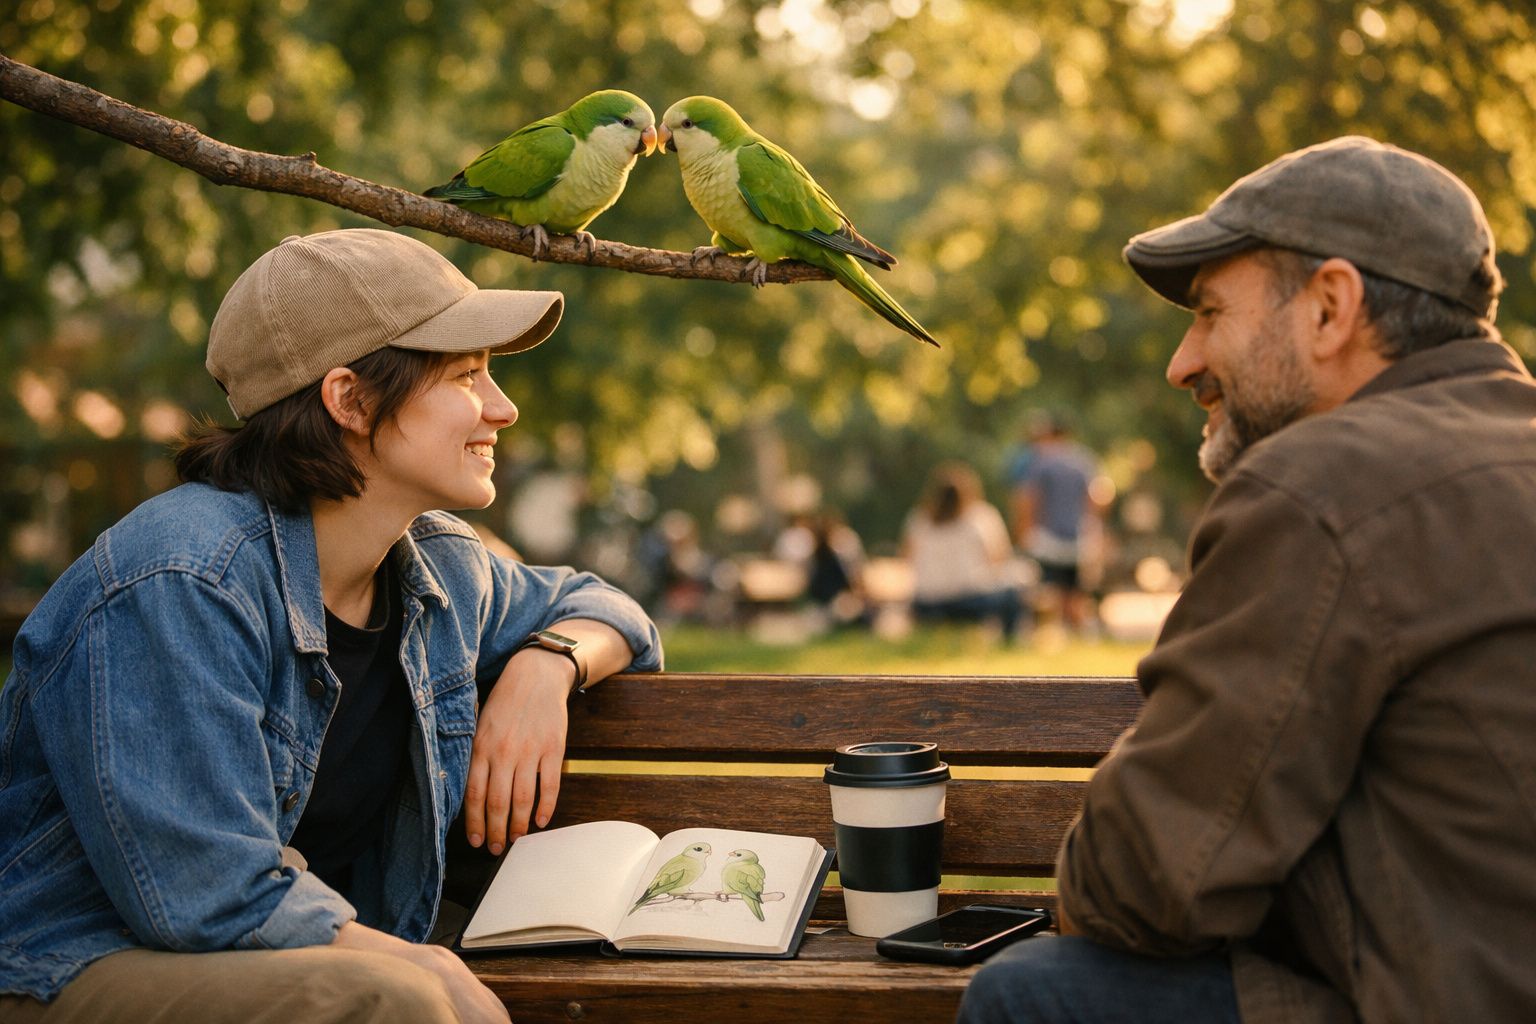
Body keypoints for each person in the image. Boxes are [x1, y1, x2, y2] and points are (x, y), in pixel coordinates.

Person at [0, 229, 663, 1024]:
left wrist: (545, 667)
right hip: (72, 966)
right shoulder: (182, 581)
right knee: (396, 1000)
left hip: (276, 956)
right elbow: (207, 895)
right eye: (466, 375)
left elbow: (607, 608)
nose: (503, 407)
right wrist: (424, 967)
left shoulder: (440, 567)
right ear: (349, 399)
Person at [959, 136, 1536, 1023]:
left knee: (1031, 996)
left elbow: (1137, 886)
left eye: (1211, 312)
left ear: (1329, 308)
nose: (1181, 363)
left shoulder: (1322, 484)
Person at [903, 462, 1023, 640]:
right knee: (1014, 594)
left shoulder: (919, 519)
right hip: (970, 601)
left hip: (926, 603)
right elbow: (1000, 558)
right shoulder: (981, 517)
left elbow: (907, 559)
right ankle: (1009, 641)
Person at [1008, 411, 1104, 632]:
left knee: (1045, 590)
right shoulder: (1083, 460)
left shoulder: (1040, 462)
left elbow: (1029, 500)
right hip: (1077, 538)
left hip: (1046, 538)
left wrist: (1023, 531)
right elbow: (1097, 498)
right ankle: (1079, 633)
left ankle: (1045, 633)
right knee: (1074, 592)